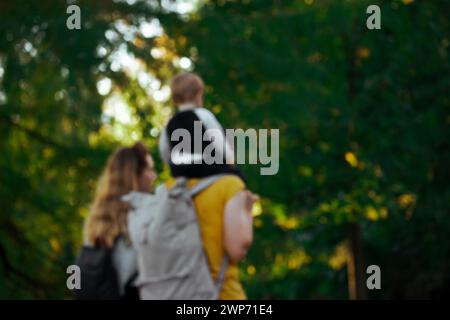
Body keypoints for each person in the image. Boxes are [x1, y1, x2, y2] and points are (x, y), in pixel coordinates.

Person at [83, 142, 156, 299]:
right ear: (134, 176)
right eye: (149, 169)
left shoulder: (96, 218)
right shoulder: (146, 214)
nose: (153, 176)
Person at [159, 72, 244, 180]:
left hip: (183, 177)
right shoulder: (203, 115)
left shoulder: (169, 124)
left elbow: (165, 152)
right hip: (211, 173)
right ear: (199, 93)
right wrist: (230, 163)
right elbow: (220, 145)